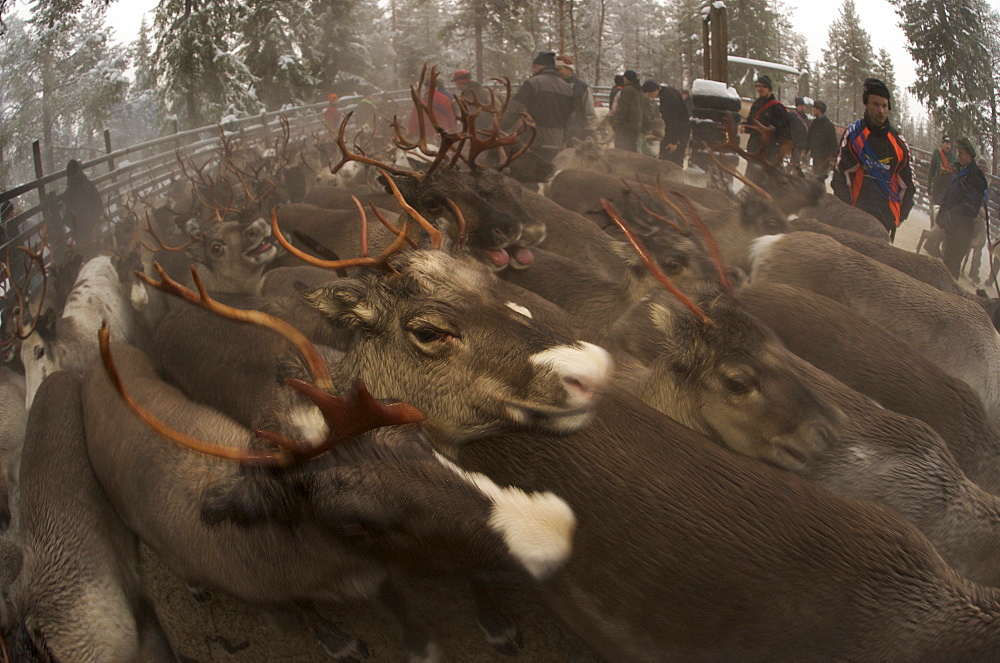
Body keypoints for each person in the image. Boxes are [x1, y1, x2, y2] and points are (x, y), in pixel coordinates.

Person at [832, 78, 915, 242]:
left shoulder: (899, 143)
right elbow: (840, 175)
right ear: (867, 105)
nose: (881, 111)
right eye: (876, 105)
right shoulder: (854, 135)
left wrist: (897, 217)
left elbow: (909, 186)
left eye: (884, 106)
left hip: (884, 223)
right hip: (855, 218)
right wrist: (847, 211)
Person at [502, 51, 574, 177]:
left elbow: (515, 109)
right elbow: (571, 117)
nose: (533, 70)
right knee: (547, 176)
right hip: (556, 143)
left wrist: (500, 126)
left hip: (533, 141)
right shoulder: (567, 88)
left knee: (528, 178)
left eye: (535, 67)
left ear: (542, 66)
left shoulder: (533, 83)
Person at [937, 136, 989, 279]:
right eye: (958, 152)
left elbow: (970, 205)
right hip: (952, 226)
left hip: (961, 230)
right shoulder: (962, 171)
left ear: (969, 155)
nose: (958, 155)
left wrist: (951, 214)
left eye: (961, 153)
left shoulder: (975, 176)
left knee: (952, 267)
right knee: (947, 262)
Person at [743, 75, 791, 184]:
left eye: (762, 86)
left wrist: (777, 148)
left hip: (769, 151)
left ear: (769, 88)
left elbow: (784, 131)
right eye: (757, 86)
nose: (759, 89)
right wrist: (746, 127)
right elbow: (752, 122)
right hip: (754, 148)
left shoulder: (777, 108)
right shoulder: (756, 105)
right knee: (751, 177)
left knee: (768, 180)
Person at [62, 159, 104, 257]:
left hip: (81, 234)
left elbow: (67, 217)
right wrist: (94, 222)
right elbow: (99, 204)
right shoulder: (89, 185)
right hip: (94, 229)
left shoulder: (68, 194)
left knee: (86, 258)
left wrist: (76, 228)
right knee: (99, 254)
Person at [555, 54, 597, 146]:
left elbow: (589, 111)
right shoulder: (554, 85)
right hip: (558, 131)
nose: (557, 72)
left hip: (576, 132)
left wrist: (589, 130)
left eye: (560, 69)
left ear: (568, 69)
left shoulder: (582, 87)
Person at [407, 75, 456, 141]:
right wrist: (451, 133)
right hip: (444, 136)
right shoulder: (445, 99)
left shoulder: (422, 101)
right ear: (437, 87)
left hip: (428, 138)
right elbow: (451, 118)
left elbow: (414, 121)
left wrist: (410, 136)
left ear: (426, 87)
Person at [656, 83, 691, 166]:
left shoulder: (667, 99)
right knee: (675, 159)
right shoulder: (671, 91)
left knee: (670, 161)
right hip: (681, 132)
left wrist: (674, 142)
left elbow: (672, 121)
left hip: (675, 136)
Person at [806, 100, 837, 184]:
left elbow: (833, 142)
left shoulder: (828, 125)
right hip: (815, 155)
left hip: (824, 157)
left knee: (820, 178)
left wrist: (833, 155)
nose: (812, 110)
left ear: (819, 109)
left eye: (814, 108)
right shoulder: (814, 123)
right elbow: (810, 138)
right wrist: (806, 149)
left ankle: (821, 194)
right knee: (815, 176)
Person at [611, 69, 644, 152]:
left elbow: (623, 107)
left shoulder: (627, 89)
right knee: (631, 149)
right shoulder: (638, 90)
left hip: (626, 125)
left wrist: (617, 120)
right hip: (636, 124)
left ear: (627, 78)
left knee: (621, 148)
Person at [927, 135, 956, 225]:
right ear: (942, 143)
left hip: (946, 189)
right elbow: (931, 171)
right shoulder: (936, 153)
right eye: (946, 143)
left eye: (949, 144)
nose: (948, 146)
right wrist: (929, 189)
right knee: (933, 210)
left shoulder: (953, 158)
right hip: (936, 187)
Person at [639, 80, 664, 157]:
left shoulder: (651, 102)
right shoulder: (643, 101)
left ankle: (653, 158)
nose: (657, 92)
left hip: (644, 128)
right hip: (640, 127)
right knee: (639, 146)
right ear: (649, 91)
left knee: (642, 144)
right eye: (656, 90)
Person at [787, 97, 811, 167]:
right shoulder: (792, 115)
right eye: (801, 106)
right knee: (795, 163)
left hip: (802, 143)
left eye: (803, 106)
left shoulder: (804, 117)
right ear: (797, 106)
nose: (802, 107)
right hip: (795, 142)